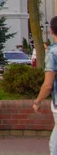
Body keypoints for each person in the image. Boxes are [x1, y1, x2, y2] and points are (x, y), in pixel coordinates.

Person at [34, 16, 57, 154]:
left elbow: (48, 84)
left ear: (51, 31)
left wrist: (37, 101)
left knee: (55, 146)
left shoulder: (53, 53)